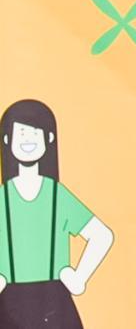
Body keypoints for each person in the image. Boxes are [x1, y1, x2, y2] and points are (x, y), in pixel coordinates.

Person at [0, 99, 114, 329]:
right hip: (8, 300)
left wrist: (80, 277)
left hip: (54, 300)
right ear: (7, 140)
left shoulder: (58, 196)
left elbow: (102, 235)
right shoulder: (3, 199)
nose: (28, 139)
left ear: (49, 138)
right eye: (21, 133)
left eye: (35, 133)